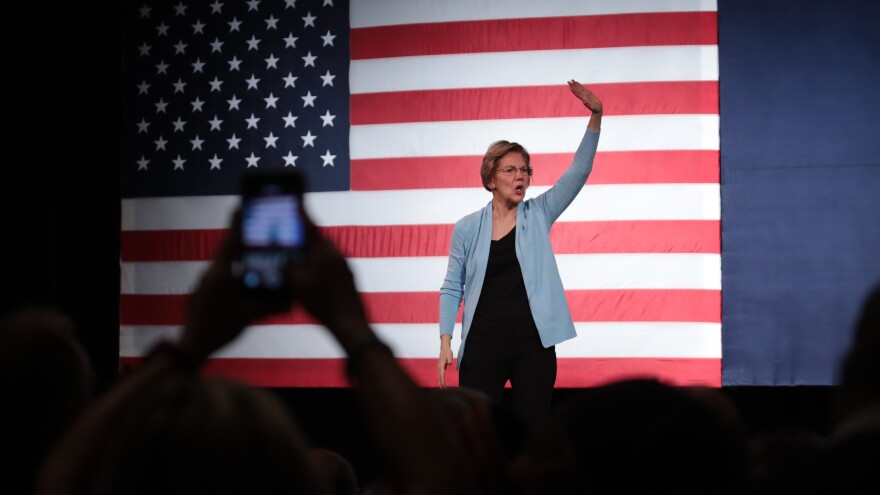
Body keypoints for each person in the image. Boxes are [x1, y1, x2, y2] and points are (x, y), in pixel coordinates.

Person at [438, 79, 603, 426]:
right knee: (477, 435)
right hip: (483, 345)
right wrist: (445, 342)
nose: (521, 177)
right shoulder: (467, 228)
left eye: (525, 170)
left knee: (534, 435)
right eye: (511, 170)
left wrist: (596, 117)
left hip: (533, 347)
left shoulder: (539, 213)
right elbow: (453, 287)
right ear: (490, 178)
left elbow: (579, 172)